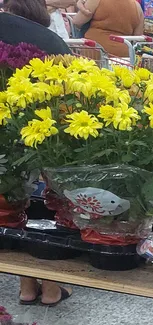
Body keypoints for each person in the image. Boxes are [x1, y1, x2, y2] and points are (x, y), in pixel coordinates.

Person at [0, 7, 74, 306]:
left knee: (10, 201)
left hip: (12, 133)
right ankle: (51, 288)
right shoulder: (50, 41)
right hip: (41, 131)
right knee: (54, 205)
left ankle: (26, 288)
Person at [73, 0, 143, 58]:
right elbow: (137, 38)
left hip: (94, 53)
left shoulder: (95, 1)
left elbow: (77, 21)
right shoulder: (137, 7)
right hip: (123, 56)